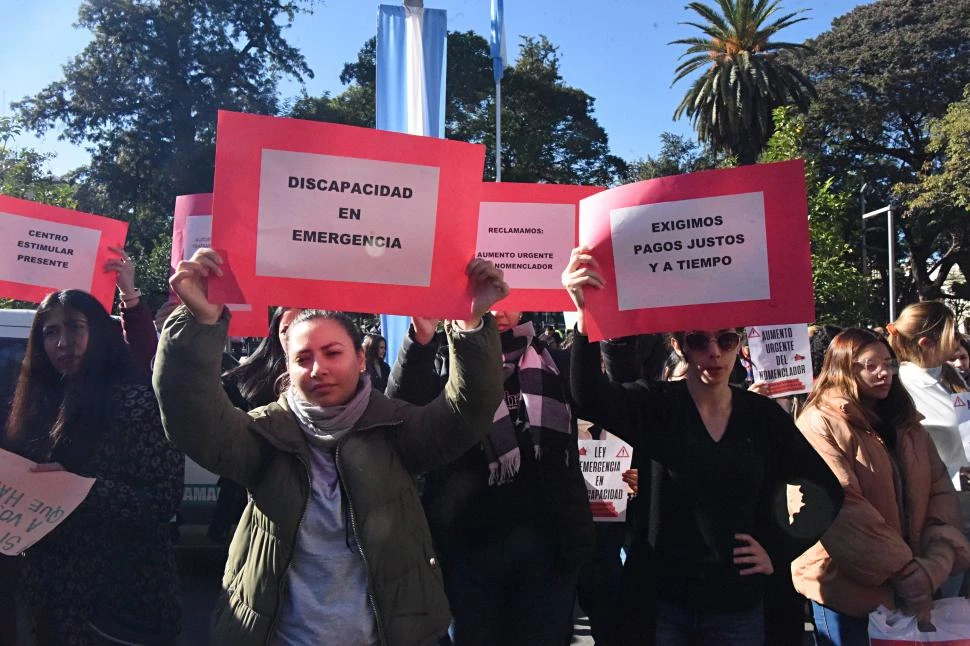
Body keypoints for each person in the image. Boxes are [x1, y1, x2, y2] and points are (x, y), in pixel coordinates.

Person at [153, 248, 507, 645]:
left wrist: (470, 324)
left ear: (360, 360)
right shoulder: (266, 433)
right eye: (303, 358)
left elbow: (468, 412)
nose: (318, 368)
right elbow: (191, 420)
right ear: (287, 368)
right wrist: (199, 323)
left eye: (332, 353)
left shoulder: (394, 427)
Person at [561, 246, 843, 646]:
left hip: (737, 606)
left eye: (726, 340)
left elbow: (826, 489)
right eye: (698, 341)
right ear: (680, 347)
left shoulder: (762, 417)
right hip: (662, 605)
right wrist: (585, 319)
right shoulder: (656, 404)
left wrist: (778, 547)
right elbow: (588, 397)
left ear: (739, 344)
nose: (714, 352)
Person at [387, 310, 594, 646]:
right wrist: (420, 340)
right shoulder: (443, 361)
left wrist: (591, 319)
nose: (497, 308)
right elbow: (398, 416)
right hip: (466, 554)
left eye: (507, 295)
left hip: (548, 554)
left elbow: (601, 393)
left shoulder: (556, 363)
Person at [1, 289, 184, 646]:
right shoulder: (34, 405)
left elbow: (162, 500)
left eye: (74, 327)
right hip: (50, 600)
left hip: (119, 603)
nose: (62, 342)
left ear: (99, 331)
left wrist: (75, 489)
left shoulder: (138, 402)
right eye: (50, 332)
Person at [792, 328, 970, 645]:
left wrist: (935, 561)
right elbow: (841, 507)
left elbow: (939, 490)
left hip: (917, 585)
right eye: (870, 365)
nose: (883, 372)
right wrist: (904, 570)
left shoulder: (906, 422)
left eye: (888, 363)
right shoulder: (819, 422)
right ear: (844, 367)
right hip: (848, 591)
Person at [206, 306, 301, 544]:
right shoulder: (242, 380)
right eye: (287, 329)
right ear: (275, 332)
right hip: (250, 496)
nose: (294, 335)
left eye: (303, 324)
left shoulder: (331, 380)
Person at [888, 301, 968, 487]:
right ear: (926, 343)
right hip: (932, 496)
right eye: (953, 333)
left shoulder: (950, 374)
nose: (959, 339)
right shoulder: (900, 385)